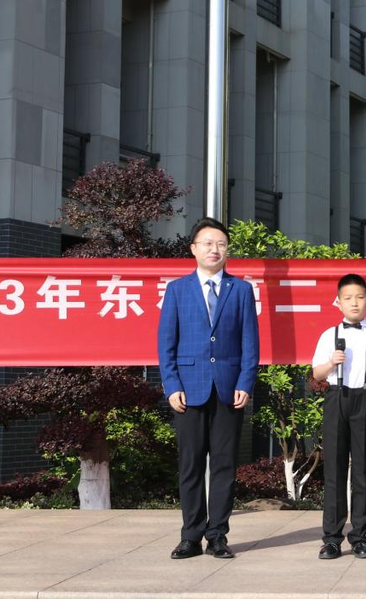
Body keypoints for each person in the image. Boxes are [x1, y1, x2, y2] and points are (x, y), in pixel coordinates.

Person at [157, 218, 260, 560]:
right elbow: (166, 344)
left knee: (224, 466)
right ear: (194, 249)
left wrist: (245, 381)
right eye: (208, 243)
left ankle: (217, 536)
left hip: (229, 389)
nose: (215, 249)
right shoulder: (177, 290)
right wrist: (172, 385)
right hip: (188, 390)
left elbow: (250, 343)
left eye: (221, 244)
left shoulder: (240, 290)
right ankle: (190, 536)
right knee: (190, 465)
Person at [311, 273, 366, 560]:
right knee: (334, 471)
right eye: (348, 298)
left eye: (360, 297)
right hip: (336, 398)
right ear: (337, 302)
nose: (354, 303)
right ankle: (331, 540)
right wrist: (331, 362)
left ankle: (360, 538)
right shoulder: (329, 335)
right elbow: (317, 374)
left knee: (362, 471)